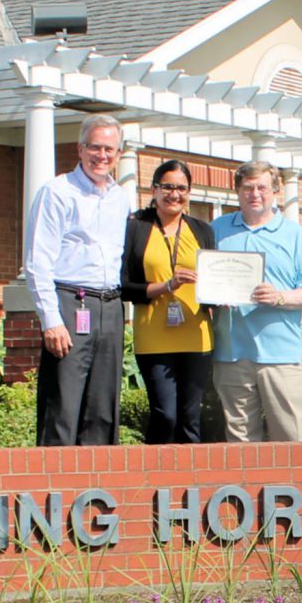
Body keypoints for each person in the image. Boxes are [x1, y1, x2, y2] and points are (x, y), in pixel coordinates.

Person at [24, 114, 131, 446]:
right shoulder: (57, 192)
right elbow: (37, 260)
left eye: (109, 149)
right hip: (71, 302)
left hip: (110, 306)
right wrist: (51, 320)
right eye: (94, 147)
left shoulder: (120, 198)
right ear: (80, 148)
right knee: (64, 405)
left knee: (103, 406)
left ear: (119, 153)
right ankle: (53, 489)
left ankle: (97, 489)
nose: (102, 156)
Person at [211, 161, 302, 442]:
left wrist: (279, 297)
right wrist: (213, 295)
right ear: (237, 191)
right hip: (231, 354)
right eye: (247, 188)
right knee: (240, 443)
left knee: (290, 441)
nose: (254, 194)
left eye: (262, 187)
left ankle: (290, 488)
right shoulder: (217, 229)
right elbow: (203, 277)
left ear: (276, 191)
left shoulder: (295, 235)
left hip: (281, 357)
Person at [121, 160, 215, 444]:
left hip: (196, 336)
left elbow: (213, 278)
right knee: (165, 414)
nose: (175, 194)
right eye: (168, 187)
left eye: (182, 188)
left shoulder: (202, 229)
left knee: (190, 417)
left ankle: (190, 483)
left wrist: (225, 295)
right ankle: (158, 482)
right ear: (154, 189)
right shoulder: (136, 228)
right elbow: (124, 286)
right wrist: (166, 286)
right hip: (154, 337)